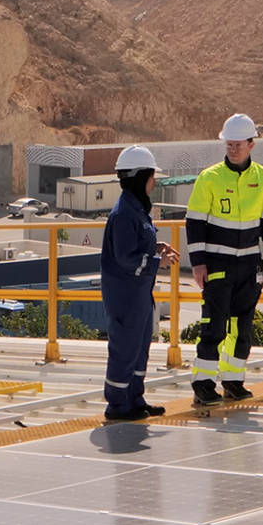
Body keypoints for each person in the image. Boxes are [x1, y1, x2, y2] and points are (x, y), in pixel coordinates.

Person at [184, 113, 263, 406]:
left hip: (249, 266)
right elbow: (195, 222)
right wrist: (198, 262)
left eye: (238, 144)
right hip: (217, 265)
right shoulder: (209, 177)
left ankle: (233, 381)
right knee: (213, 324)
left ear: (252, 144)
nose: (233, 149)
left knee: (242, 326)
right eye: (229, 144)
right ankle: (202, 384)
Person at [99, 146, 176, 421]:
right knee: (124, 348)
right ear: (140, 176)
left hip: (139, 295)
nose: (154, 182)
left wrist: (157, 248)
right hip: (125, 296)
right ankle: (118, 405)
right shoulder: (123, 214)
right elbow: (125, 258)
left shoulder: (137, 209)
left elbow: (138, 247)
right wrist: (158, 262)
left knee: (140, 346)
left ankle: (135, 398)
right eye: (152, 175)